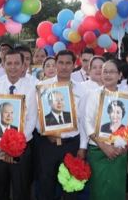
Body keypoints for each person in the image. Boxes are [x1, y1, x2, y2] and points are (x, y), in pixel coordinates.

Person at [0, 49, 37, 200]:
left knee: (21, 190)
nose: (13, 67)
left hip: (22, 148)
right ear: (3, 65)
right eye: (9, 63)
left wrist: (14, 147)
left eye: (17, 63)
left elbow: (31, 121)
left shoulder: (31, 89)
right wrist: (4, 147)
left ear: (23, 66)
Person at [37, 50, 87, 200]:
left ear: (74, 65)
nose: (64, 67)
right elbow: (36, 117)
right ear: (55, 64)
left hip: (71, 145)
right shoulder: (42, 87)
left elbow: (84, 120)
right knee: (46, 186)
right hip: (48, 144)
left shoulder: (82, 89)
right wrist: (45, 132)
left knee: (71, 188)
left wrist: (82, 147)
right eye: (61, 63)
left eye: (68, 63)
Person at [84, 59, 128, 199]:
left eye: (112, 72)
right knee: (99, 190)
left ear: (120, 75)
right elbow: (87, 122)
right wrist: (103, 146)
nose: (108, 75)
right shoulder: (94, 94)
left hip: (119, 151)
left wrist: (125, 145)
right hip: (98, 150)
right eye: (105, 72)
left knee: (117, 189)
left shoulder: (127, 97)